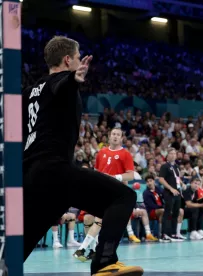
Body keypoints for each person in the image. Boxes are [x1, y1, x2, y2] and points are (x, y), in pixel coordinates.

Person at [22, 36, 142, 275]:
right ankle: (105, 263)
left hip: (30, 176)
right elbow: (61, 84)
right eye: (77, 58)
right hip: (54, 170)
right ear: (68, 59)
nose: (79, 62)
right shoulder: (62, 81)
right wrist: (72, 79)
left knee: (20, 245)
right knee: (123, 197)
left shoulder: (29, 93)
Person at [74, 127, 143, 261]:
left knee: (100, 220)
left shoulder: (125, 154)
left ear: (121, 138)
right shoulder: (102, 152)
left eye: (118, 134)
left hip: (115, 192)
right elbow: (97, 172)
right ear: (109, 136)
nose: (115, 136)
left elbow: (130, 175)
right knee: (88, 219)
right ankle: (93, 250)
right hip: (100, 190)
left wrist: (115, 177)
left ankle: (81, 249)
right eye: (113, 134)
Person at [158, 147, 186, 242]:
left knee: (176, 213)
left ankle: (173, 234)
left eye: (175, 153)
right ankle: (164, 235)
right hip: (169, 193)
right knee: (167, 213)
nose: (173, 155)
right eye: (171, 153)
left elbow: (177, 178)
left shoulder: (176, 167)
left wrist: (182, 184)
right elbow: (161, 179)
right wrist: (171, 188)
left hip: (177, 193)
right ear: (167, 155)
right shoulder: (164, 166)